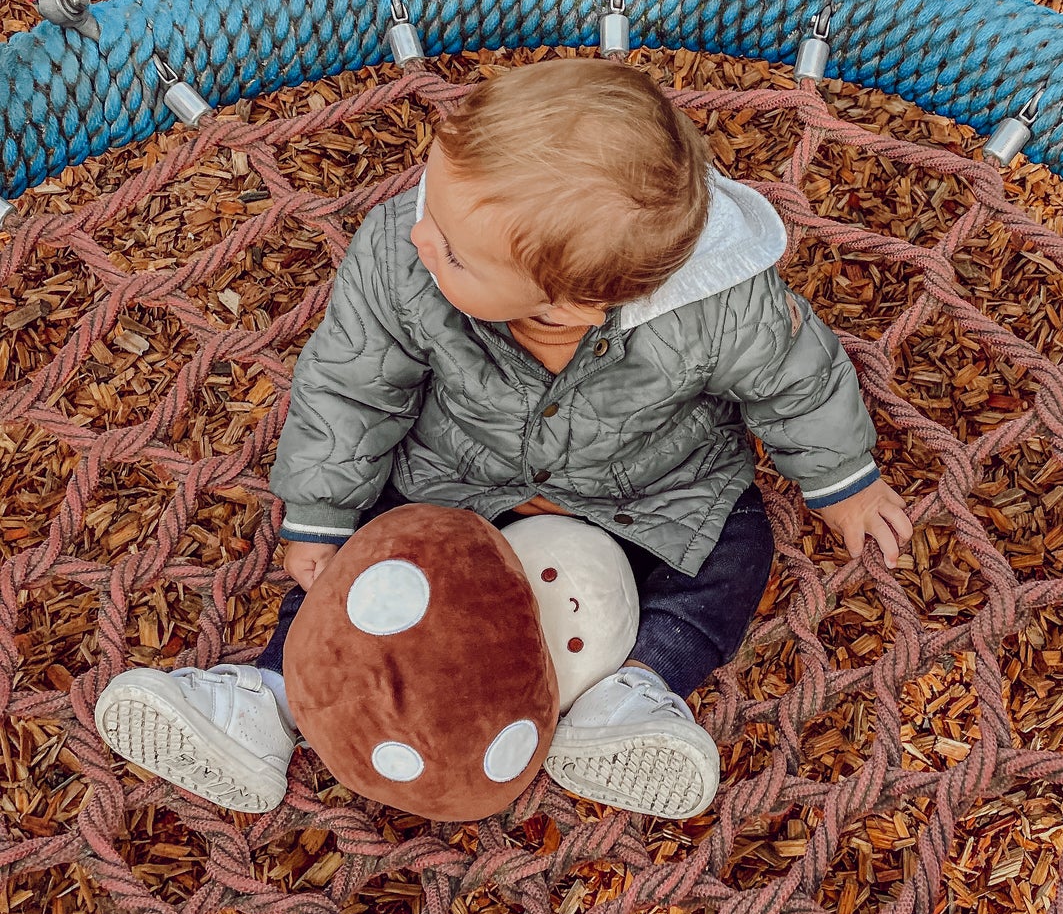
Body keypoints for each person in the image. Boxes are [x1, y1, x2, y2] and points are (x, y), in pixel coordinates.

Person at [95, 60, 911, 820]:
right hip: (456, 475)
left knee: (732, 551)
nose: (420, 235)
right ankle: (266, 694)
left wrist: (845, 479)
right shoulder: (403, 254)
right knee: (368, 561)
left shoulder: (722, 304)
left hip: (654, 486)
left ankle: (636, 693)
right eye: (430, 201)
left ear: (567, 309)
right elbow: (352, 384)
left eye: (452, 249)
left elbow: (796, 379)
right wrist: (320, 512)